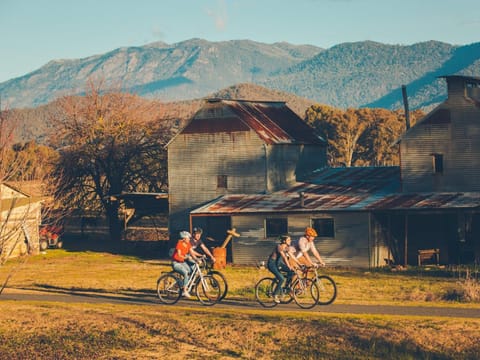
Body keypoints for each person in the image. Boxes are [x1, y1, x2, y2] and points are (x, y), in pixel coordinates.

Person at [171, 231, 203, 298]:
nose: (189, 239)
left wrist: (198, 258)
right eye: (188, 238)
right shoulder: (179, 244)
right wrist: (186, 257)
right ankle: (184, 291)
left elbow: (192, 253)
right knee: (185, 273)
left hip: (182, 262)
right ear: (184, 238)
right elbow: (179, 255)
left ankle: (181, 284)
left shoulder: (188, 244)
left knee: (191, 272)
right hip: (176, 263)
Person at [267, 234, 297, 303]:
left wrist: (299, 264)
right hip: (272, 264)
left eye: (290, 239)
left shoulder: (286, 247)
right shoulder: (279, 247)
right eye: (289, 240)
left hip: (278, 263)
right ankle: (275, 295)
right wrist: (289, 266)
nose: (290, 241)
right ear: (284, 241)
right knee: (281, 278)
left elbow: (292, 256)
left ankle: (287, 288)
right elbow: (284, 257)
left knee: (293, 272)